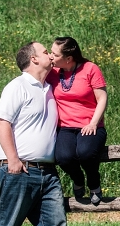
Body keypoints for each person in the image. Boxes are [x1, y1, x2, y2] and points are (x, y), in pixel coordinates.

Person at [0, 41, 67, 226]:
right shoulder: (17, 86)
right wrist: (12, 160)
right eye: (46, 52)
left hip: (48, 171)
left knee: (54, 225)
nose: (51, 55)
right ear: (33, 59)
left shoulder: (49, 88)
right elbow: (3, 122)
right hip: (19, 169)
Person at [46, 36, 108, 206]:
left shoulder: (90, 69)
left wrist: (93, 123)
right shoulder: (52, 72)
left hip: (90, 124)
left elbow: (102, 98)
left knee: (86, 153)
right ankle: (78, 179)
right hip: (65, 126)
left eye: (54, 54)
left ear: (68, 59)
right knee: (63, 157)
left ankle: (94, 184)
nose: (51, 56)